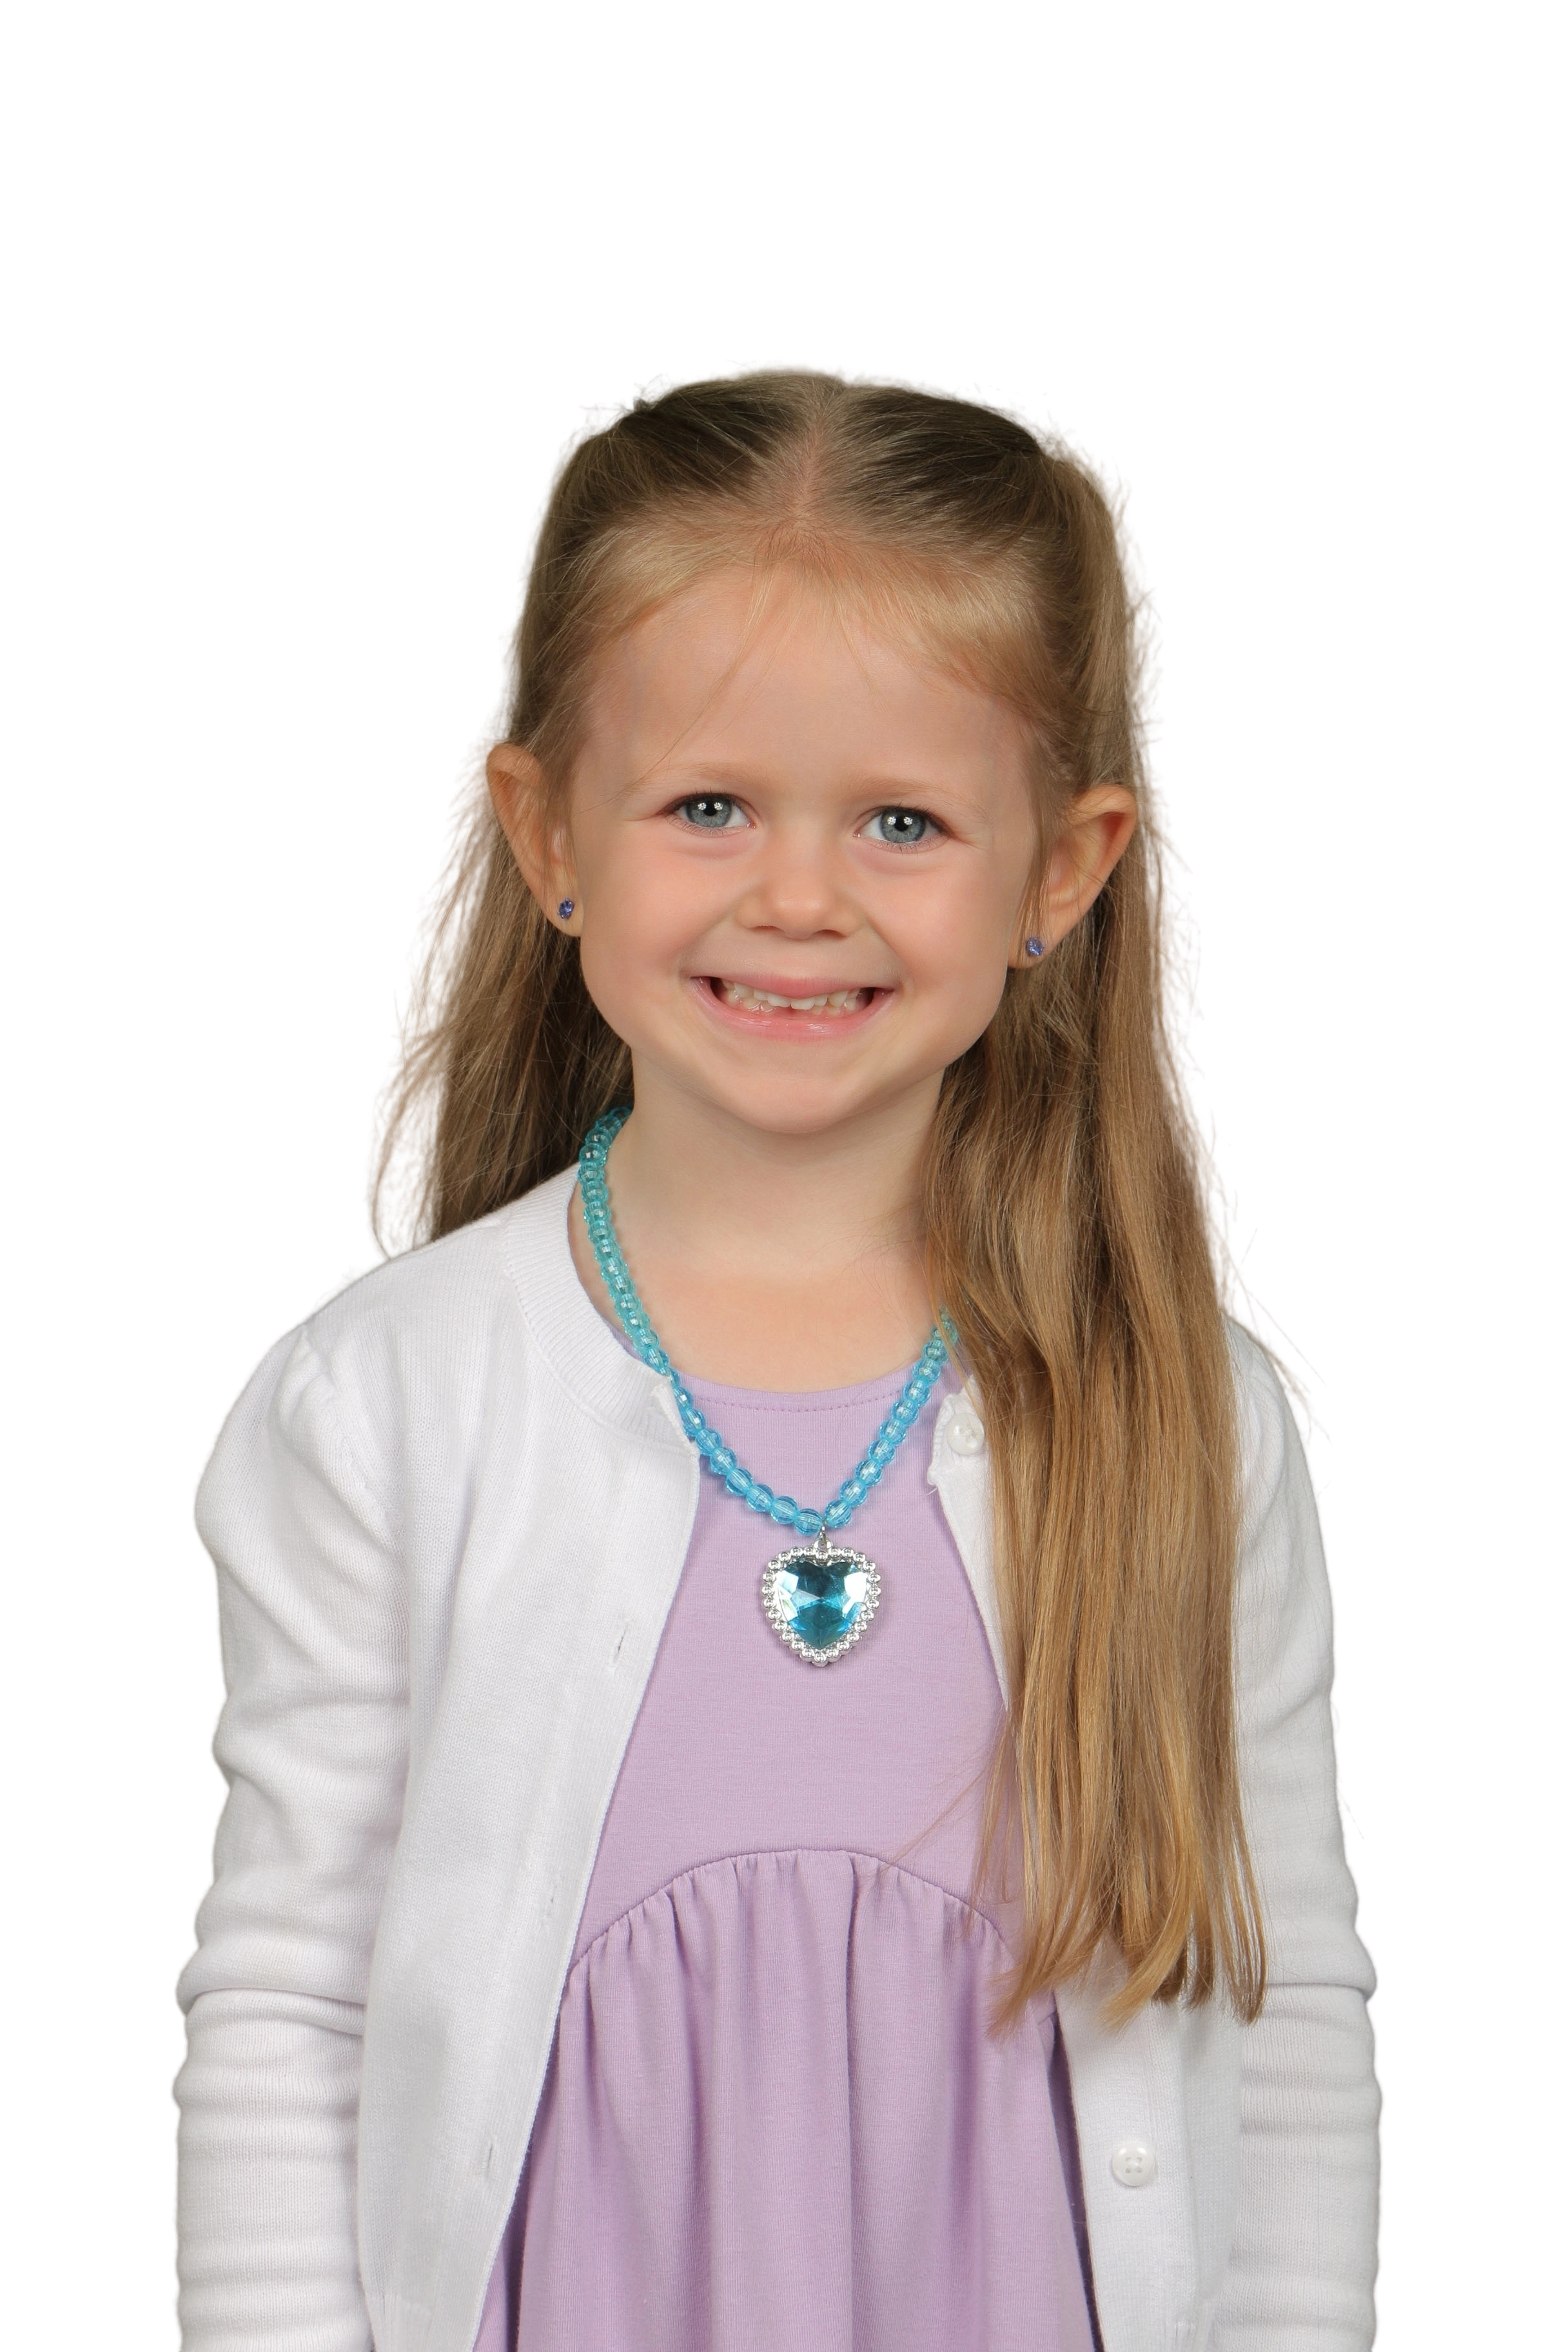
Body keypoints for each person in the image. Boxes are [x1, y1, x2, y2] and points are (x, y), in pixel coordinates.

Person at [167, 358, 1385, 2352]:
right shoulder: (389, 1403)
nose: (800, 898)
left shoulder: (1178, 1415)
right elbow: (290, 2000)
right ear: (549, 833)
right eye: (709, 805)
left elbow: (1280, 1993)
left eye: (903, 819)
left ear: (1059, 871)